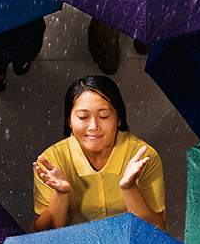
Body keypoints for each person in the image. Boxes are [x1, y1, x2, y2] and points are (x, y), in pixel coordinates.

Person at [33, 76, 166, 232]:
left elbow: (157, 230)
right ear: (69, 121)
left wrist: (129, 188)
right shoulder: (51, 161)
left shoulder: (143, 157)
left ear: (119, 119)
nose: (93, 126)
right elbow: (43, 234)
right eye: (83, 117)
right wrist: (61, 194)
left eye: (103, 116)